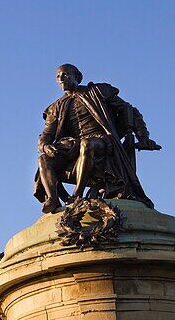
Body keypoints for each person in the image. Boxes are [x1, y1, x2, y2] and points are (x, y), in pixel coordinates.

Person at [33, 64, 159, 213]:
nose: (61, 78)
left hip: (102, 140)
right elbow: (47, 134)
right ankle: (52, 199)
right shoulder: (56, 107)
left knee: (87, 144)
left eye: (65, 74)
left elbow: (129, 110)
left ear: (77, 77)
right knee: (43, 159)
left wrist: (143, 136)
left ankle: (77, 195)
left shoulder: (97, 91)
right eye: (58, 76)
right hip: (72, 145)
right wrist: (45, 146)